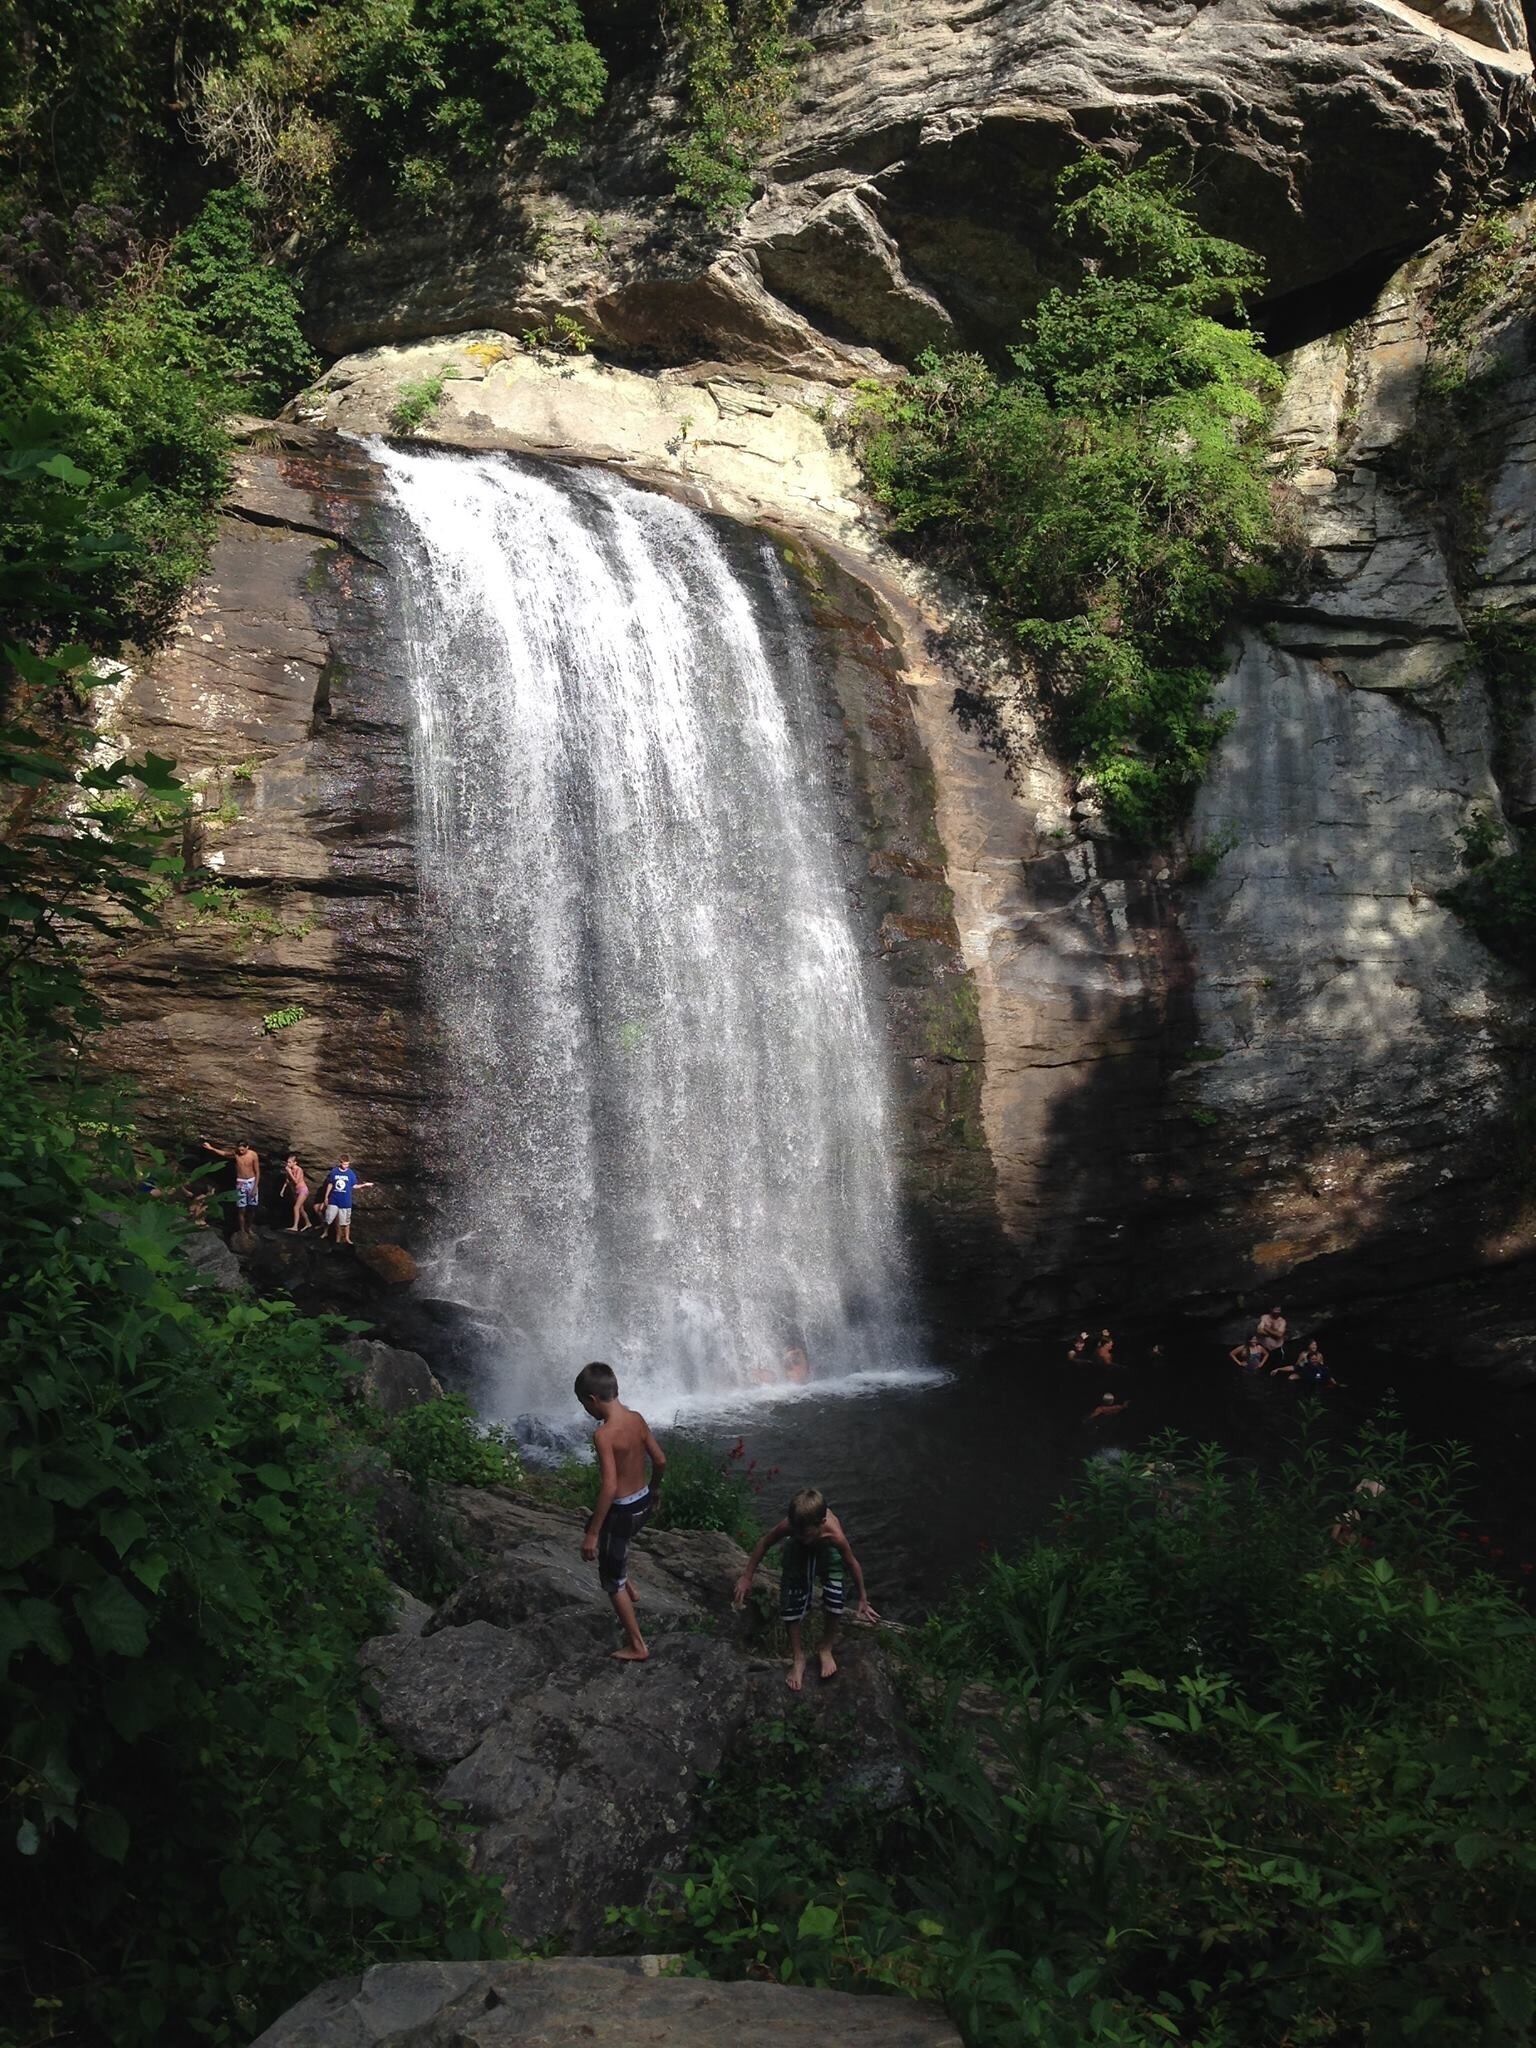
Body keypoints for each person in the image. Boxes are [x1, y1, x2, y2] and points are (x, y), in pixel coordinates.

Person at [733, 1487, 878, 1693]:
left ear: (822, 1523)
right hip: (799, 1554)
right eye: (797, 1533)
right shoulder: (793, 1528)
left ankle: (825, 1647)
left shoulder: (834, 1535)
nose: (803, 1537)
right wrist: (747, 1576)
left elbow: (852, 1563)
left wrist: (863, 1597)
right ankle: (798, 1657)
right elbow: (765, 1542)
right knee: (791, 1602)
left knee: (836, 1599)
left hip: (826, 1550)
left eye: (807, 1534)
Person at [574, 1360, 667, 1663]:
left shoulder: (605, 1435)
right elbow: (661, 1460)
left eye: (584, 1405)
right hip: (642, 1505)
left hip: (623, 1511)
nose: (587, 1413)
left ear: (592, 1400)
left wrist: (592, 1533)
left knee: (610, 1582)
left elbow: (610, 1487)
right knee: (612, 1541)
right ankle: (628, 1582)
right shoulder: (637, 1419)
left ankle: (638, 1644)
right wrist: (654, 1489)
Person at [202, 1135, 260, 1244]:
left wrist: (255, 1187)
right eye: (239, 1149)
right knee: (241, 1208)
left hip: (251, 1182)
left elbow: (257, 1172)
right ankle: (242, 1230)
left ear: (247, 1147)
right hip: (241, 1182)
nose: (241, 1151)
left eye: (243, 1149)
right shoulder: (236, 1154)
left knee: (252, 1208)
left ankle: (249, 1227)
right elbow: (224, 1154)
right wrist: (211, 1148)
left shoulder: (253, 1155)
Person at [317, 1155, 374, 1245]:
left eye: (347, 1164)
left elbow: (354, 1186)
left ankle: (347, 1237)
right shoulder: (334, 1172)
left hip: (345, 1201)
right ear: (340, 1163)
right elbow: (330, 1184)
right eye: (344, 1164)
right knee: (328, 1218)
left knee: (346, 1222)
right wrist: (326, 1197)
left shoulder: (350, 1173)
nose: (346, 1166)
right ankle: (325, 1232)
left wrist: (364, 1185)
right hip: (334, 1199)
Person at [283, 1152, 312, 1233]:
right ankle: (308, 1223)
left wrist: (289, 1172)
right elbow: (287, 1181)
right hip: (297, 1191)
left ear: (295, 1163)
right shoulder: (290, 1169)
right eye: (287, 1162)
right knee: (301, 1209)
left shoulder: (299, 1169)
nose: (288, 1164)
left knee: (296, 1207)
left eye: (290, 1162)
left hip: (303, 1190)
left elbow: (296, 1181)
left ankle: (295, 1226)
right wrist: (282, 1190)